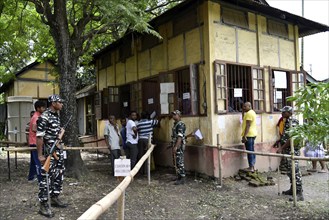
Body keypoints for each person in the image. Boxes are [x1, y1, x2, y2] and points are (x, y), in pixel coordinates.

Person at [36, 94, 67, 217]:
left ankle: (54, 197)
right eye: (60, 102)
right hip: (49, 152)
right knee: (45, 178)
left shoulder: (56, 116)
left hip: (58, 151)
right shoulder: (44, 117)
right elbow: (39, 137)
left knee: (59, 173)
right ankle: (43, 205)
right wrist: (40, 155)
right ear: (53, 103)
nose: (62, 104)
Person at [278, 106, 304, 201]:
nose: (282, 114)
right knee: (290, 171)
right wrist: (279, 141)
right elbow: (286, 135)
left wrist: (282, 147)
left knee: (295, 170)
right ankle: (293, 189)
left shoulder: (293, 122)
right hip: (287, 149)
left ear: (289, 113)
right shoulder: (287, 121)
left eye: (284, 112)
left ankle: (299, 193)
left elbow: (291, 138)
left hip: (292, 150)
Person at [28, 101, 46, 182]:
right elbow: (34, 128)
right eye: (43, 107)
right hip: (35, 142)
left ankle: (31, 177)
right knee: (38, 161)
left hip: (33, 141)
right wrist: (43, 131)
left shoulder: (38, 116)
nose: (44, 109)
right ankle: (40, 178)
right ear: (38, 108)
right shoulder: (36, 117)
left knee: (33, 161)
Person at [171, 110, 187, 185]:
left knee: (179, 161)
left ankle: (182, 177)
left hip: (179, 145)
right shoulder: (175, 124)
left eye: (175, 115)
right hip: (175, 144)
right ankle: (179, 176)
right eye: (173, 115)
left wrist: (176, 147)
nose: (173, 116)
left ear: (179, 115)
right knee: (176, 161)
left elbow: (180, 137)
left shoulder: (180, 124)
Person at [241, 102, 257, 172]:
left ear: (249, 106)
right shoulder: (251, 112)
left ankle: (251, 167)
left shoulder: (249, 114)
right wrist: (242, 112)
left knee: (249, 151)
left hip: (249, 135)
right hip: (252, 134)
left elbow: (248, 125)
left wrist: (245, 136)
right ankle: (252, 166)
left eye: (245, 107)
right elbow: (244, 120)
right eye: (243, 107)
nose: (243, 108)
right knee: (251, 150)